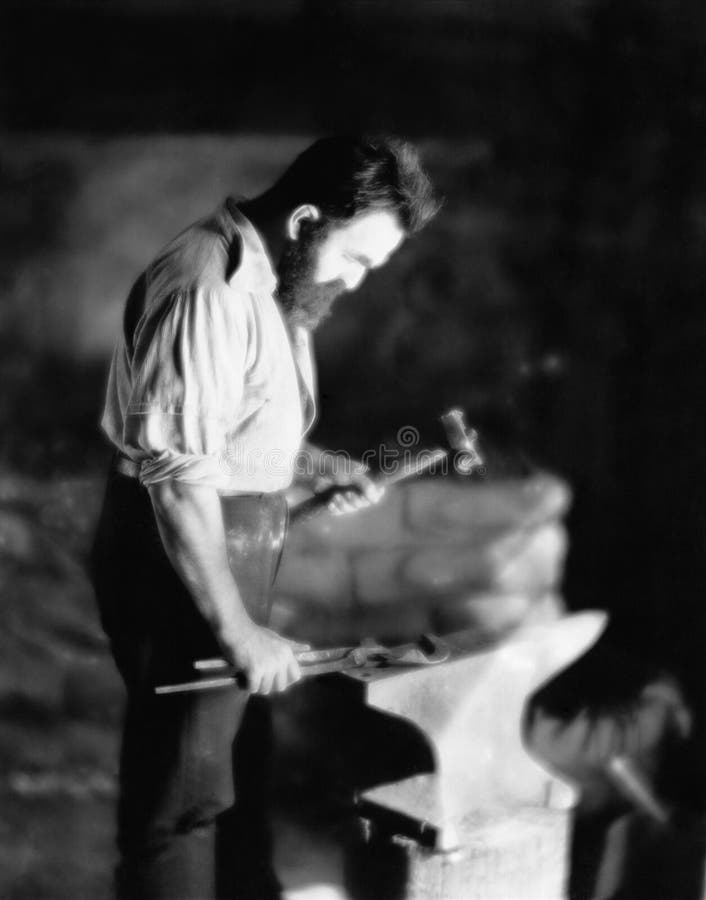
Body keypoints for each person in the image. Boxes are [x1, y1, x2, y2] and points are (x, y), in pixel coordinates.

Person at [90, 135, 440, 900]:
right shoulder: (205, 289)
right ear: (307, 219)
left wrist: (320, 467)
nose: (352, 283)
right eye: (353, 261)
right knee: (179, 804)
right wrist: (240, 632)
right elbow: (179, 482)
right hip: (175, 555)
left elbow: (243, 422)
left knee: (232, 771)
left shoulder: (274, 287)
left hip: (231, 543)